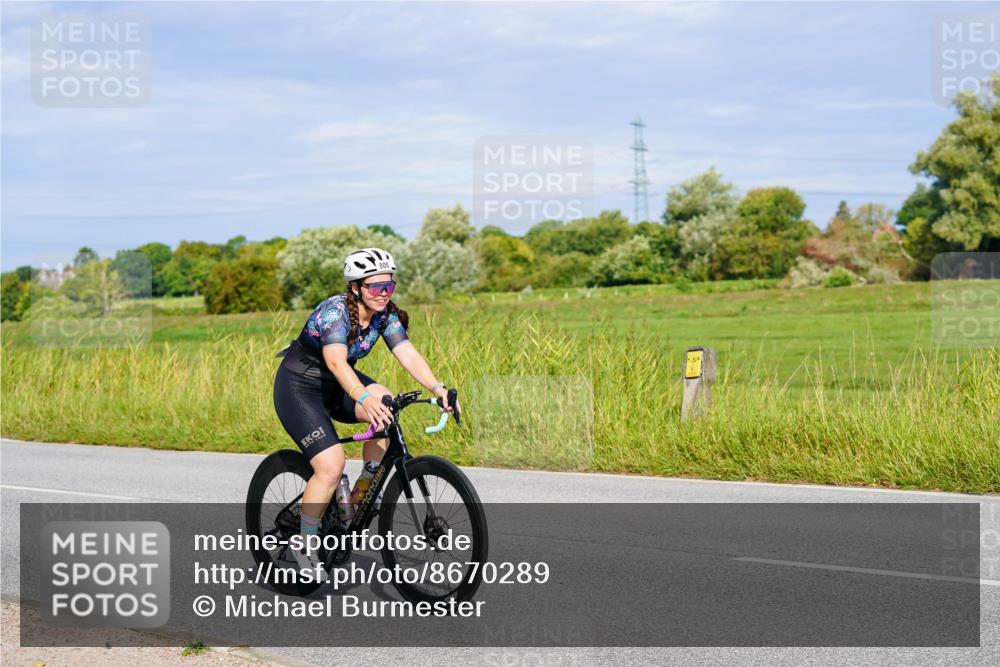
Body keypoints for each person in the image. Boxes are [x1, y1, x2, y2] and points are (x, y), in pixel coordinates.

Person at [272, 247, 460, 571]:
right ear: (356, 288)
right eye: (375, 287)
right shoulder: (335, 312)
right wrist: (361, 396)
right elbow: (335, 361)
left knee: (386, 403)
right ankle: (304, 542)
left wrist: (438, 388)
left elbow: (408, 354)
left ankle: (362, 490)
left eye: (389, 286)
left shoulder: (384, 315)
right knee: (331, 465)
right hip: (299, 387)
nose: (383, 293)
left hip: (337, 384)